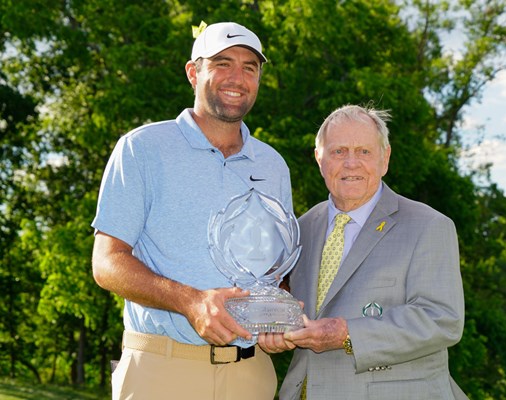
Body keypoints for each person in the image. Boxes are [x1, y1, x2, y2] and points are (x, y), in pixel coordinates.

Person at [91, 21, 291, 400]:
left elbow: (274, 270)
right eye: (222, 63)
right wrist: (191, 302)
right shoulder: (142, 148)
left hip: (251, 373)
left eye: (250, 67)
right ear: (193, 72)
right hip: (161, 371)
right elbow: (106, 262)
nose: (237, 77)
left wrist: (280, 309)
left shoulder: (273, 165)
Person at [259, 105, 468, 399]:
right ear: (319, 159)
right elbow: (292, 308)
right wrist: (275, 332)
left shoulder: (428, 226)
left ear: (385, 158)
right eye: (339, 151)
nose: (351, 163)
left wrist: (347, 334)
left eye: (364, 152)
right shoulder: (299, 229)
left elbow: (442, 319)